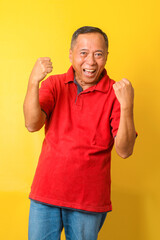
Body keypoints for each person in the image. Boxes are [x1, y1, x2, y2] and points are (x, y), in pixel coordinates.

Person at [23, 26, 137, 240]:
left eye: (98, 54)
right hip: (45, 193)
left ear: (106, 56)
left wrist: (127, 106)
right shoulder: (55, 84)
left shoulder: (115, 93)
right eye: (83, 53)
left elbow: (124, 150)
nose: (91, 62)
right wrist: (33, 82)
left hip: (88, 201)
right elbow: (32, 124)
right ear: (71, 54)